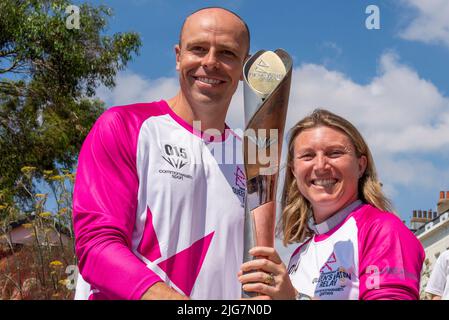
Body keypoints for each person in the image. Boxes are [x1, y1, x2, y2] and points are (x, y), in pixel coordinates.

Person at [73, 7, 250, 300]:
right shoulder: (124, 126)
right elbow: (96, 246)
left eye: (227, 53)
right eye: (198, 49)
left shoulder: (251, 155)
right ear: (178, 56)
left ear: (244, 68)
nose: (210, 62)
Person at [238, 109, 425, 300]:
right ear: (294, 171)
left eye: (334, 153)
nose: (320, 166)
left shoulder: (382, 230)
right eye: (308, 156)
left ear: (360, 166)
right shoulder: (298, 257)